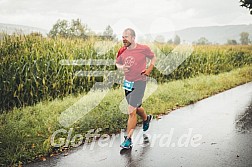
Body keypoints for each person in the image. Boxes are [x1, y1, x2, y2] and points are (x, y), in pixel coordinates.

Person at [116, 28, 156, 149]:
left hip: (140, 82)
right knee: (136, 107)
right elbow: (117, 64)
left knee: (131, 110)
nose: (123, 39)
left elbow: (153, 57)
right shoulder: (122, 50)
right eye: (122, 37)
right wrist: (122, 67)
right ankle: (146, 118)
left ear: (133, 38)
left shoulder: (143, 48)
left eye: (126, 37)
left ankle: (128, 140)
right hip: (128, 83)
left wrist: (149, 69)